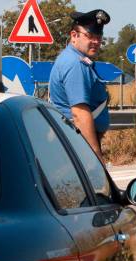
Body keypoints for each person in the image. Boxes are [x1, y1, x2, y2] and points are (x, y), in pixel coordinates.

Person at [49, 9, 110, 159]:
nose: (96, 42)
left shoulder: (77, 60)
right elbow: (79, 113)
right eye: (90, 36)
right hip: (78, 142)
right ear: (74, 36)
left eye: (98, 37)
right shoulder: (75, 64)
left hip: (76, 139)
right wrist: (95, 155)